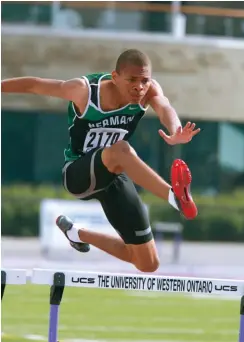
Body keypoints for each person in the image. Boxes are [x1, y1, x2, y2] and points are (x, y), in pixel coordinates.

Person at [1, 49, 201, 273]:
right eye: (132, 80)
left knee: (147, 263)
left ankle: (76, 233)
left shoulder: (149, 91)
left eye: (144, 80)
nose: (139, 87)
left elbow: (165, 107)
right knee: (121, 149)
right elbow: (35, 85)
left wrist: (175, 130)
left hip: (113, 175)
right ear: (115, 77)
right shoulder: (84, 91)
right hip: (79, 174)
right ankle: (175, 198)